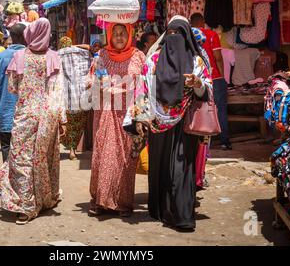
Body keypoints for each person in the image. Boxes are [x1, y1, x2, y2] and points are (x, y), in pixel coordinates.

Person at [124, 16, 213, 231]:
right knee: (161, 169)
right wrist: (140, 118)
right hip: (157, 123)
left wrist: (198, 84)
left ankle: (183, 216)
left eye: (179, 35)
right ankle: (160, 211)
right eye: (170, 34)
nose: (174, 39)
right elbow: (142, 89)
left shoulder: (196, 62)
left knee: (182, 169)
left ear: (187, 37)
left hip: (185, 124)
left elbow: (207, 91)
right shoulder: (153, 60)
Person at [0, 18, 67, 224]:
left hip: (25, 115)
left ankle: (26, 206)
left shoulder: (19, 57)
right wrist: (61, 119)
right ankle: (44, 199)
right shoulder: (54, 57)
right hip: (47, 117)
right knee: (43, 159)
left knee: (21, 160)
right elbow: (58, 92)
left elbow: (12, 88)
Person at [88, 23, 145, 217]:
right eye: (115, 34)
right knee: (104, 154)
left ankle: (123, 203)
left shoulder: (138, 55)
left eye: (123, 34)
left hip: (129, 114)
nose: (119, 37)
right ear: (109, 36)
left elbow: (144, 84)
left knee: (125, 158)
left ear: (129, 35)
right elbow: (92, 81)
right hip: (106, 112)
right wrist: (99, 86)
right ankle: (100, 201)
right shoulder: (102, 55)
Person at [190, 13, 231, 150]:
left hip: (197, 79)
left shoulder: (188, 35)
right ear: (203, 23)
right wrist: (222, 76)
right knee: (220, 109)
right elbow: (218, 57)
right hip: (215, 77)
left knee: (199, 109)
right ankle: (225, 141)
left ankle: (201, 141)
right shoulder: (211, 35)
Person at [0, 23, 27, 162]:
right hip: (27, 115)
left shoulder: (1, 57)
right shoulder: (33, 57)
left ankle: (8, 181)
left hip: (5, 111)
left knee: (6, 149)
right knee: (24, 154)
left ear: (12, 37)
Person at [58, 36, 92, 160]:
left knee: (66, 124)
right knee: (78, 125)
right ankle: (73, 149)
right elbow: (90, 47)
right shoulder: (82, 53)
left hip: (65, 98)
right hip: (81, 97)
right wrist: (76, 46)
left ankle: (69, 149)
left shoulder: (57, 55)